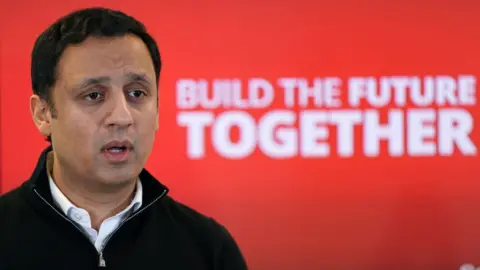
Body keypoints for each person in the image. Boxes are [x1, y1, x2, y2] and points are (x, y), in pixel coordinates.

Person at [0, 7, 248, 270]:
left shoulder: (207, 248)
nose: (121, 117)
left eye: (137, 94)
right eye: (94, 95)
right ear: (44, 114)